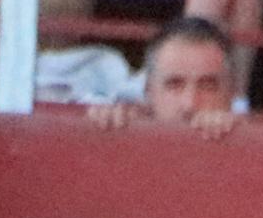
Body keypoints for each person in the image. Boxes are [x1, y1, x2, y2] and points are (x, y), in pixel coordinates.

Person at [87, 14, 243, 132]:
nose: (189, 104)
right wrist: (103, 135)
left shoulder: (256, 148)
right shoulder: (118, 130)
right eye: (174, 85)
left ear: (232, 92)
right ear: (148, 90)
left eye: (207, 86)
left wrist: (235, 135)